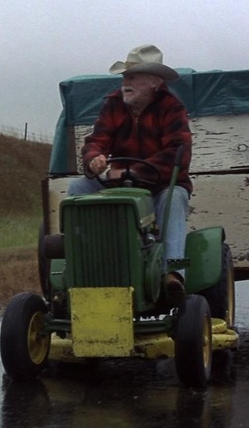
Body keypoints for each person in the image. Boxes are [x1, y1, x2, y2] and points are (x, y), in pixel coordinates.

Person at [67, 44, 192, 306]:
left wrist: (133, 171)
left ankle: (172, 275)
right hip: (118, 182)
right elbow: (96, 140)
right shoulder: (113, 105)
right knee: (78, 190)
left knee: (176, 196)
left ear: (154, 82)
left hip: (159, 185)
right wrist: (93, 160)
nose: (125, 82)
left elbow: (177, 154)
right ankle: (82, 269)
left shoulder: (172, 108)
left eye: (132, 76)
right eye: (125, 77)